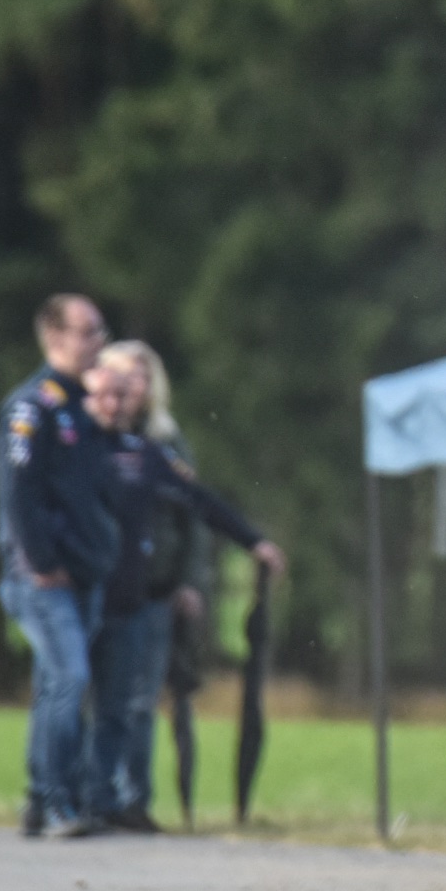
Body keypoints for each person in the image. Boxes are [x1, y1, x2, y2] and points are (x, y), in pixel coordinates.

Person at [81, 344, 282, 832]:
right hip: (87, 589)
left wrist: (250, 542)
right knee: (82, 695)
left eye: (137, 383)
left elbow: (196, 504)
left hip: (145, 592)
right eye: (117, 386)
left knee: (132, 702)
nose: (126, 395)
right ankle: (71, 795)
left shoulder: (149, 452)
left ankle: (124, 800)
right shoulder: (76, 444)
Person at [0, 294, 119, 840]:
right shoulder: (34, 407)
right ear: (54, 338)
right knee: (70, 678)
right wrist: (41, 561)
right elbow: (18, 493)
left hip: (82, 571)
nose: (99, 341)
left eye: (100, 331)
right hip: (44, 577)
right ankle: (55, 802)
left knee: (55, 686)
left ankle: (39, 799)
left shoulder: (82, 407)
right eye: (87, 331)